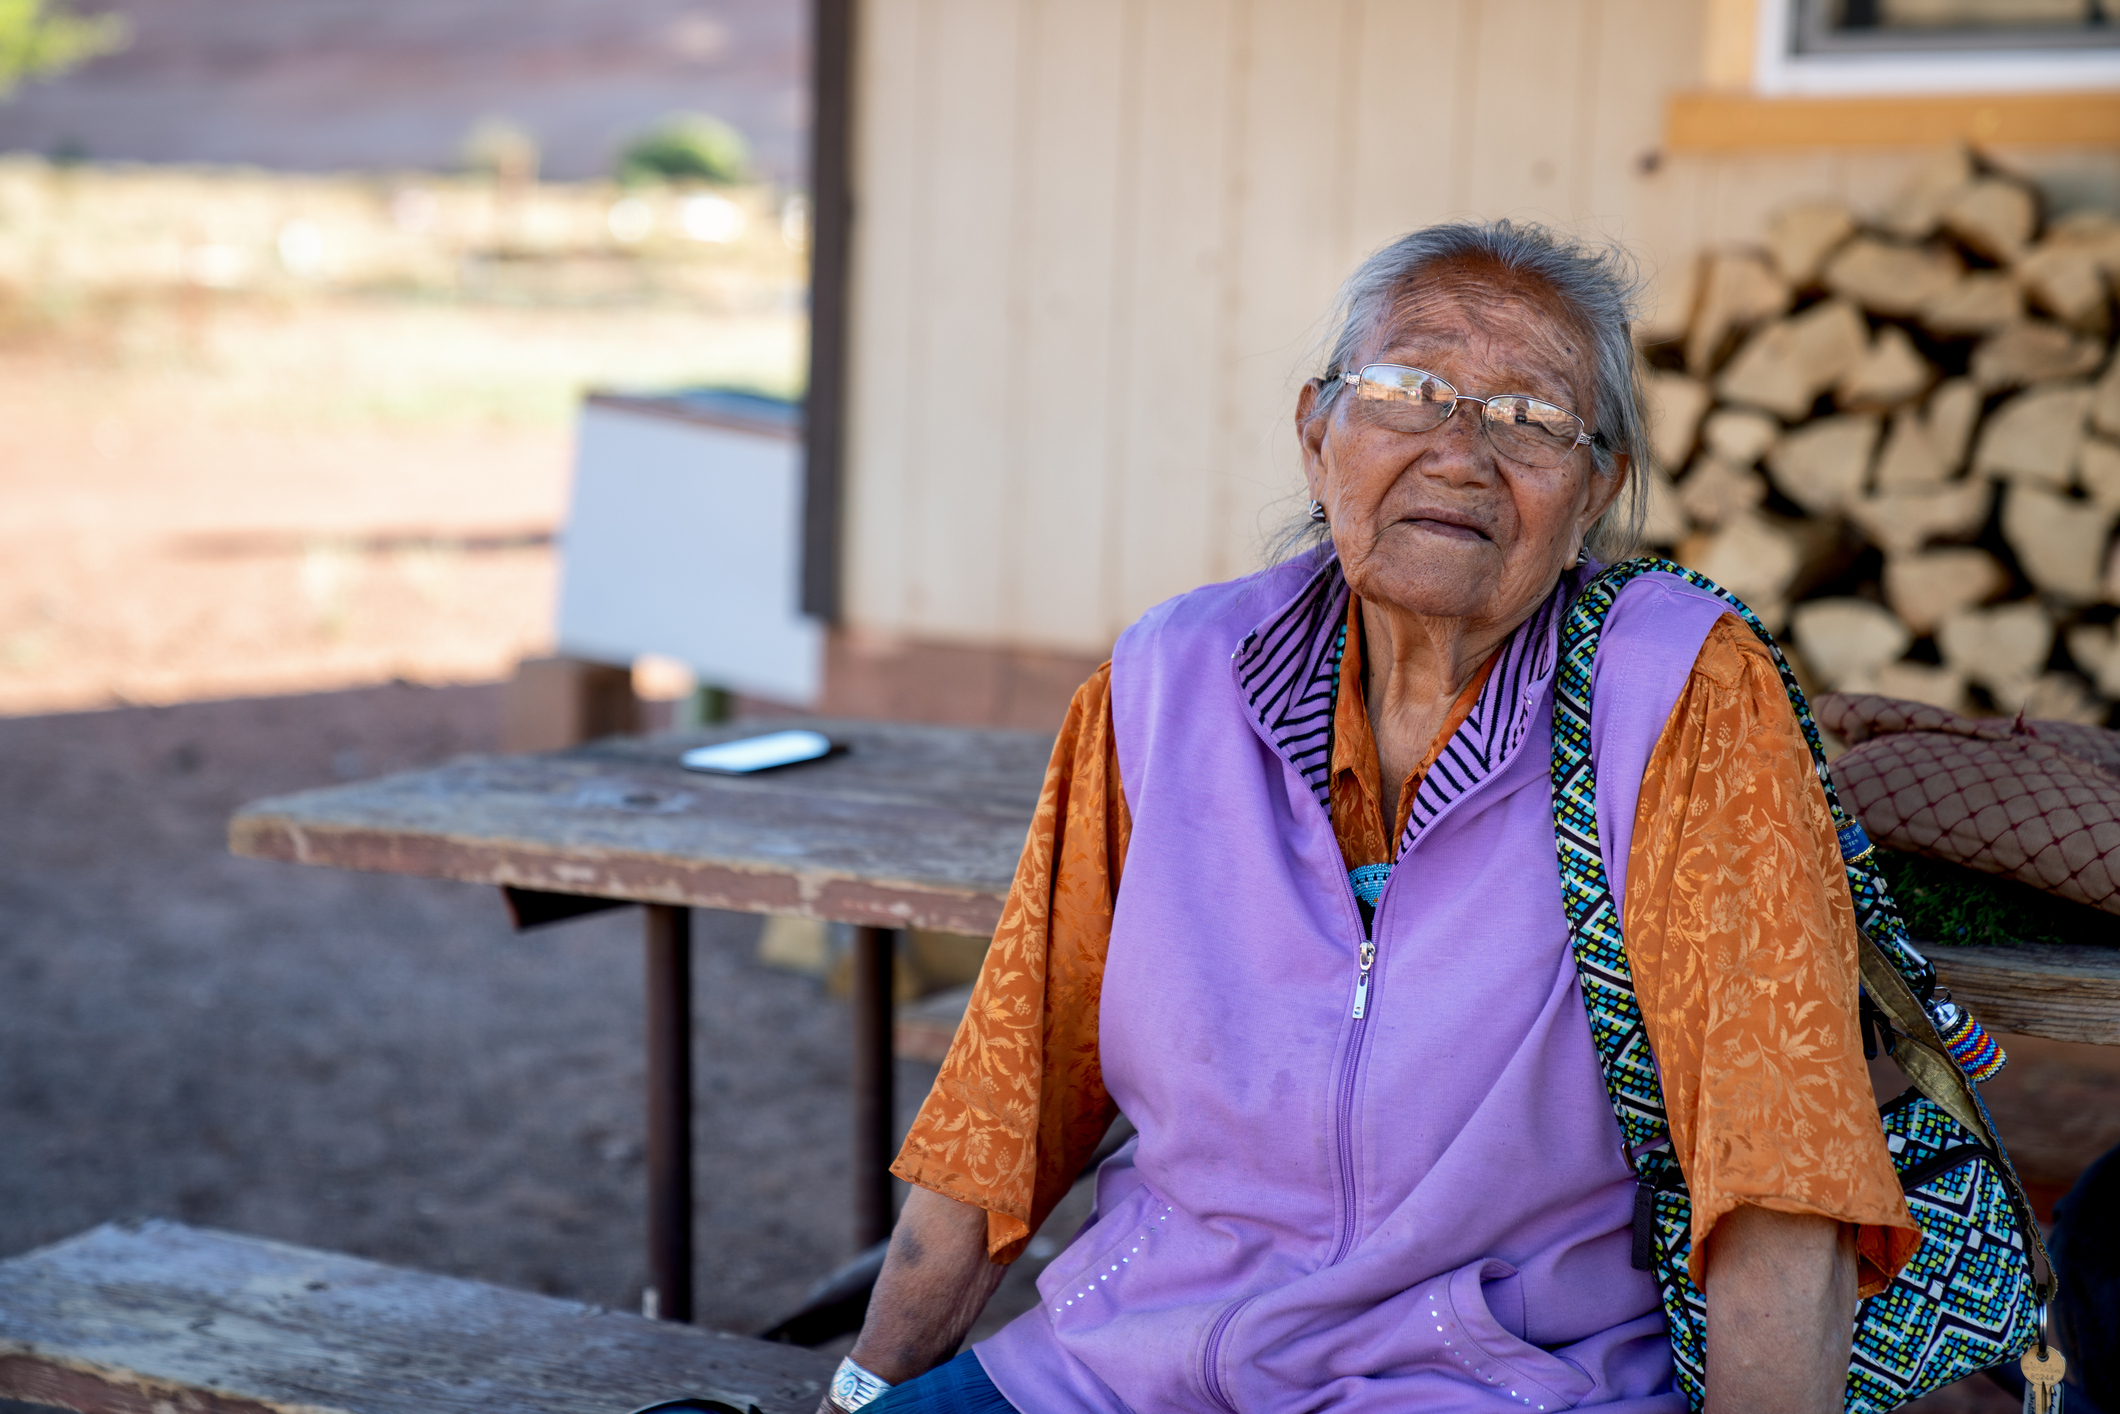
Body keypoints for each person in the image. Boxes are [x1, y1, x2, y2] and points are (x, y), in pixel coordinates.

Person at [822, 221, 1919, 1414]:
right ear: (1315, 433)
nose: (1461, 454)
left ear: (1594, 489)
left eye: (1531, 419)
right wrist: (856, 1394)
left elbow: (1778, 1172)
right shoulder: (1166, 679)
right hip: (1117, 1369)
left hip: (1483, 1387)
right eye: (1407, 392)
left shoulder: (1676, 693)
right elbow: (1008, 1102)